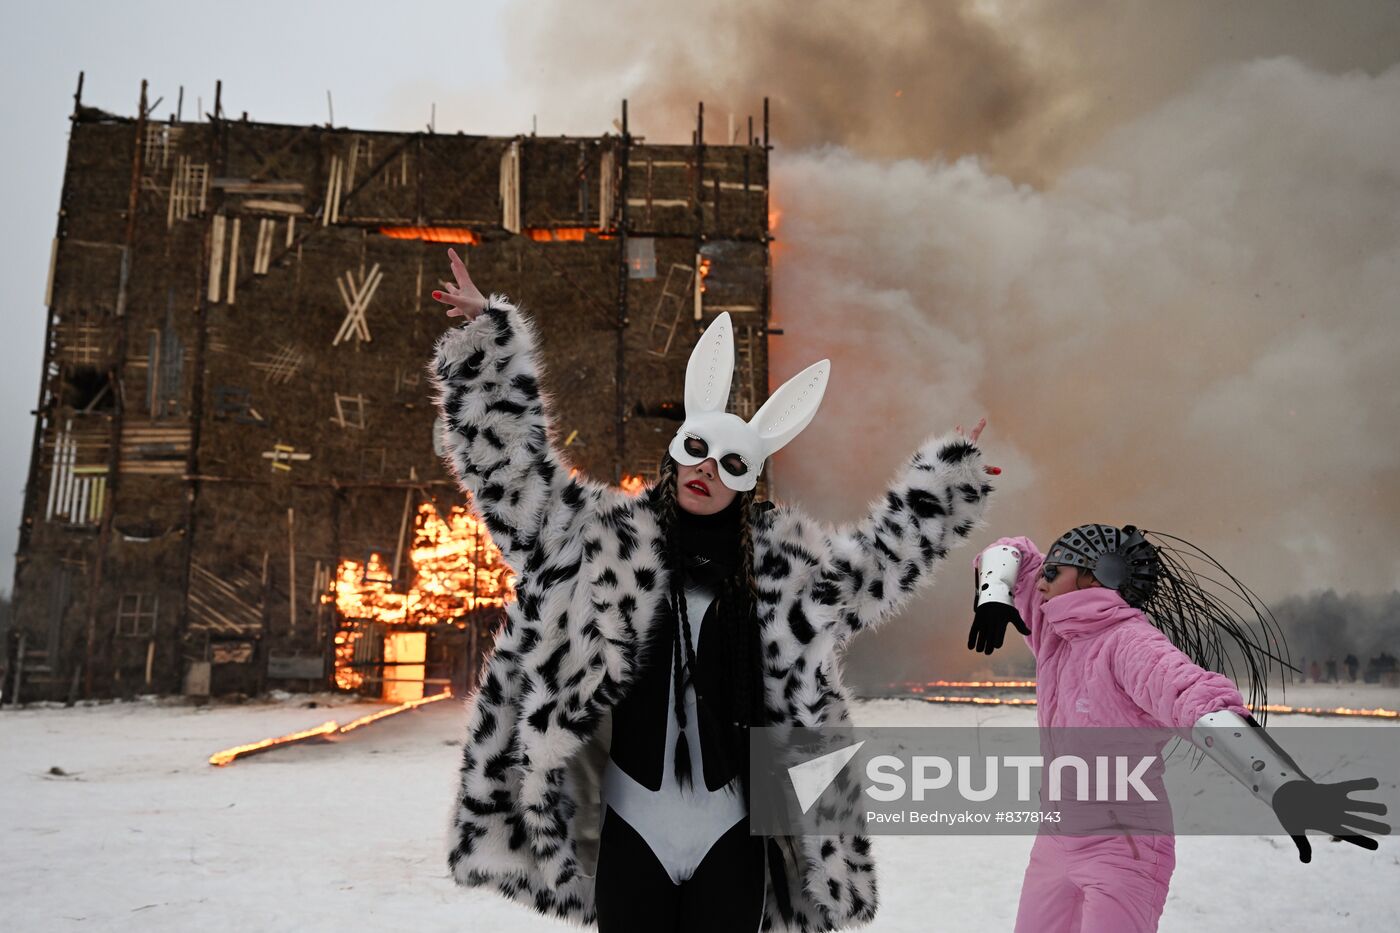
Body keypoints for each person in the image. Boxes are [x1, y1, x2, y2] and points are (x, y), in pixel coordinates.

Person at [429, 249, 998, 931]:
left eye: (730, 463)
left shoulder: (785, 574)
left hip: (734, 830)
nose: (707, 469)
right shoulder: (597, 542)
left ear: (748, 481)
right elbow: (514, 477)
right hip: (631, 826)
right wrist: (487, 348)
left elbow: (873, 568)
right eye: (697, 449)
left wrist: (943, 485)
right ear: (676, 451)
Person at [969, 525, 1390, 932]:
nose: (1040, 583)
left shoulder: (1132, 644)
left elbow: (1197, 701)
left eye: (1053, 571)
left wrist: (1283, 786)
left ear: (1094, 577)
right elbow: (1010, 552)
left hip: (1124, 848)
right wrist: (994, 594)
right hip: (1055, 838)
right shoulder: (1054, 634)